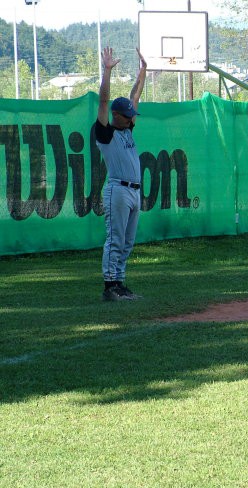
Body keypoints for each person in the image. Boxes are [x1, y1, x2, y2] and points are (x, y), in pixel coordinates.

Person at [96, 46, 147, 301]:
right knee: (115, 239)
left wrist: (143, 73)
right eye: (126, 116)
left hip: (134, 191)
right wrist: (106, 71)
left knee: (127, 243)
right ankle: (109, 286)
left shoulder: (127, 129)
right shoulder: (105, 132)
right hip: (117, 189)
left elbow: (134, 98)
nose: (130, 118)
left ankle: (120, 283)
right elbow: (103, 100)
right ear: (115, 115)